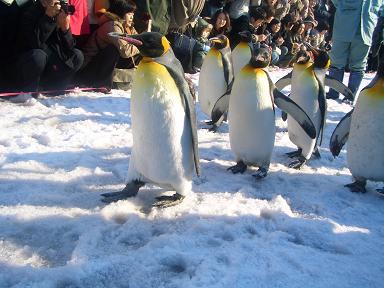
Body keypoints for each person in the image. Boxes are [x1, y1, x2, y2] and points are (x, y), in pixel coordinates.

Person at [10, 0, 84, 93]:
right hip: (29, 63)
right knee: (38, 56)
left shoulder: (59, 13)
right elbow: (35, 43)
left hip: (50, 62)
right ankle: (29, 91)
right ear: (44, 2)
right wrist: (48, 18)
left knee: (77, 55)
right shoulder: (30, 11)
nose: (58, 5)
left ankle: (56, 88)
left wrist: (65, 29)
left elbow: (70, 47)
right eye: (55, 2)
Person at [327, 0, 383, 102]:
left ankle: (350, 96)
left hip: (366, 31)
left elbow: (381, 10)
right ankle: (333, 93)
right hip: (343, 27)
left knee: (359, 65)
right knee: (337, 62)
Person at [77, 0, 140, 90]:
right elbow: (125, 51)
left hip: (100, 65)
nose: (132, 17)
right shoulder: (112, 26)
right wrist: (140, 45)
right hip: (89, 68)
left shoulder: (127, 26)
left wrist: (142, 44)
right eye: (129, 14)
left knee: (142, 52)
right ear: (121, 13)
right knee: (112, 50)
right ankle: (102, 84)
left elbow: (138, 40)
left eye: (133, 14)